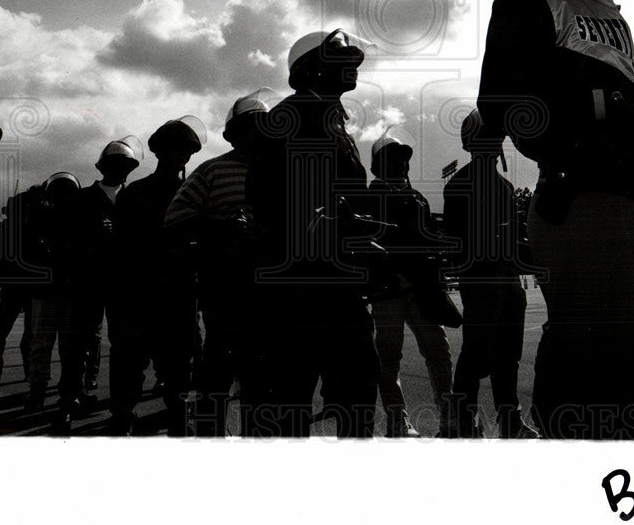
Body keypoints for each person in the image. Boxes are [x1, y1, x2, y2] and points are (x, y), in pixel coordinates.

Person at [477, 0, 634, 439]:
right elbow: (500, 105)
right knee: (590, 362)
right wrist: (612, 102)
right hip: (582, 201)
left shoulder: (617, 17)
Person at [247, 29, 381, 438]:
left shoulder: (333, 120)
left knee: (357, 392)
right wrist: (332, 226)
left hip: (339, 283)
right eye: (340, 59)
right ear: (311, 69)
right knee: (293, 397)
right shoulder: (291, 116)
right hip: (299, 289)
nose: (351, 67)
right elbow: (265, 197)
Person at [165, 93, 271, 437]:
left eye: (262, 126)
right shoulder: (212, 170)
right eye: (249, 126)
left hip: (270, 289)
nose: (257, 133)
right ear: (235, 133)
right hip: (225, 286)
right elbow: (176, 220)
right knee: (218, 369)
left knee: (261, 374)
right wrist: (221, 226)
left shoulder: (281, 172)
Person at [440, 110, 538, 439]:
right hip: (481, 280)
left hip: (508, 281)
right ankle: (460, 421)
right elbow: (455, 241)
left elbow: (514, 239)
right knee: (476, 352)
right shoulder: (460, 185)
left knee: (508, 355)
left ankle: (509, 420)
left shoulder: (506, 187)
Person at [108, 118, 204, 436]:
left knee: (177, 374)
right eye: (176, 151)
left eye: (186, 152)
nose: (181, 157)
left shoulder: (189, 194)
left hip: (172, 296)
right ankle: (124, 420)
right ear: (161, 152)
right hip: (143, 295)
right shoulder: (136, 194)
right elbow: (122, 249)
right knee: (132, 371)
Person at [367, 133, 456, 438]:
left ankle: (449, 417)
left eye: (404, 157)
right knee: (390, 357)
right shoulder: (371, 196)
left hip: (420, 286)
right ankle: (397, 419)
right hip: (389, 287)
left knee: (438, 352)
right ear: (379, 164)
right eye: (394, 157)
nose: (403, 163)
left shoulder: (417, 197)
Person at [54, 138, 140, 433]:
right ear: (102, 167)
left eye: (127, 165)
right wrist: (93, 237)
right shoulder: (82, 198)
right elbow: (66, 239)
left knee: (122, 346)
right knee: (78, 345)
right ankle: (68, 401)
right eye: (117, 165)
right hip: (87, 282)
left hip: (122, 284)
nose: (122, 170)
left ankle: (121, 407)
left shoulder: (135, 198)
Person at [24, 172, 81, 415]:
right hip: (53, 290)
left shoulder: (42, 220)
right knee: (51, 344)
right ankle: (48, 390)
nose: (63, 199)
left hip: (57, 290)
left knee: (48, 344)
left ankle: (49, 390)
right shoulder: (39, 220)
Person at [0, 185, 44, 386]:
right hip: (30, 283)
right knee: (29, 332)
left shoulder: (7, 226)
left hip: (13, 282)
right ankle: (29, 370)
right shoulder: (36, 223)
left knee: (2, 329)